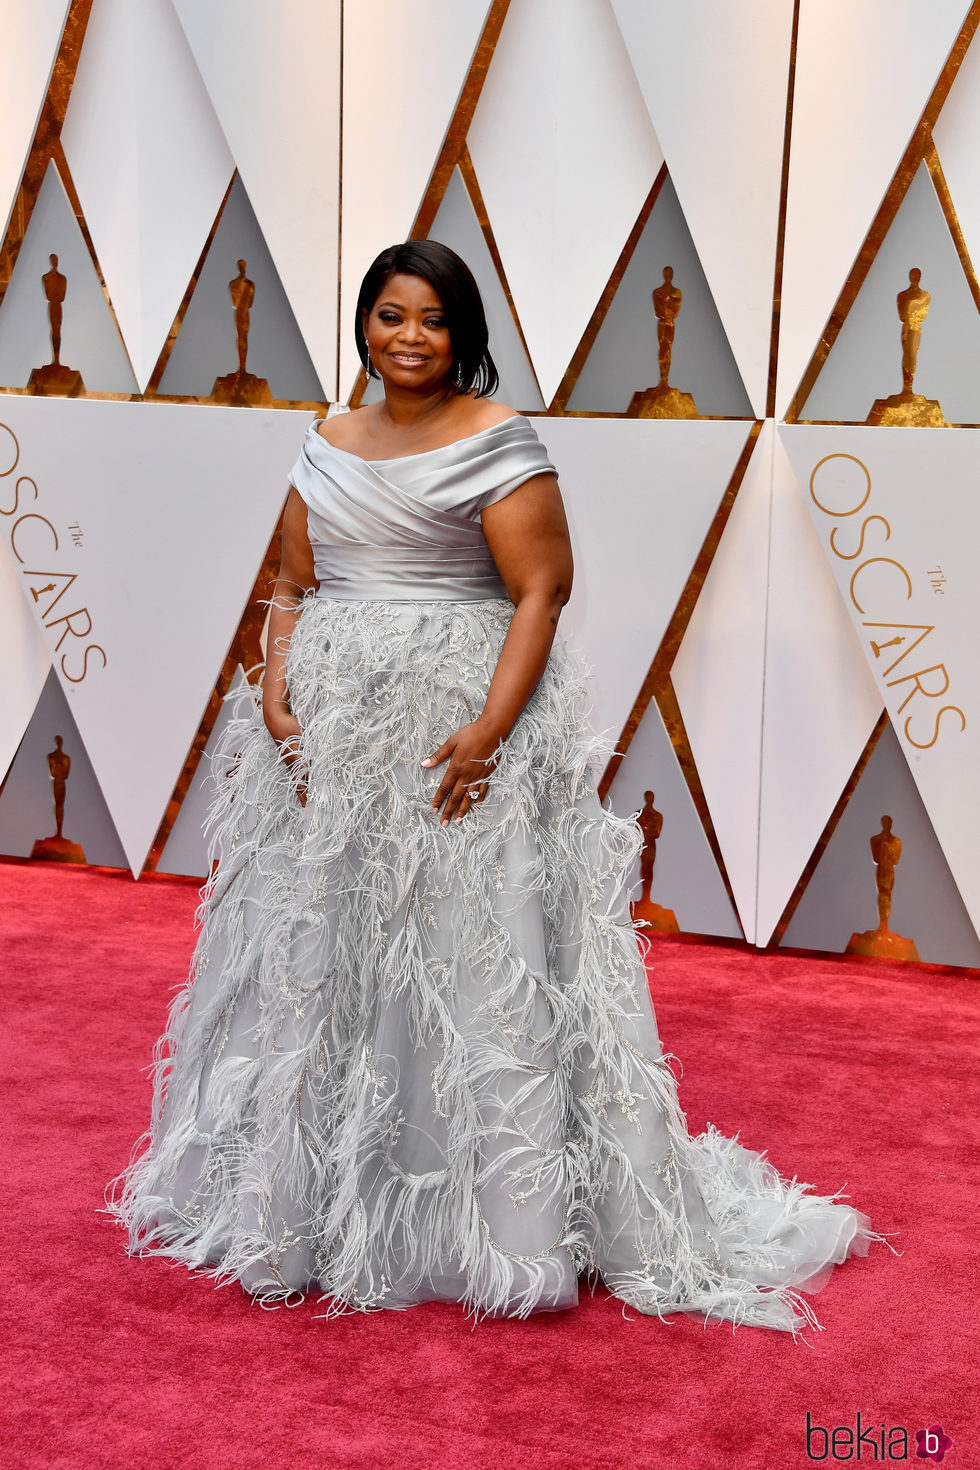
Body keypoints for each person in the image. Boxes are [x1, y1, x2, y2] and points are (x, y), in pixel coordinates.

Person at [105, 240, 891, 1334]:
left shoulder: (500, 442)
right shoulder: (324, 439)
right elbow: (290, 580)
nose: (408, 336)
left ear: (461, 332)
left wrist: (485, 729)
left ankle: (494, 1218)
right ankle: (314, 1202)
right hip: (331, 738)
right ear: (364, 327)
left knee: (464, 947)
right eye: (389, 315)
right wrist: (279, 700)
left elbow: (540, 591)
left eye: (431, 318)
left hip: (450, 726)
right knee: (331, 945)